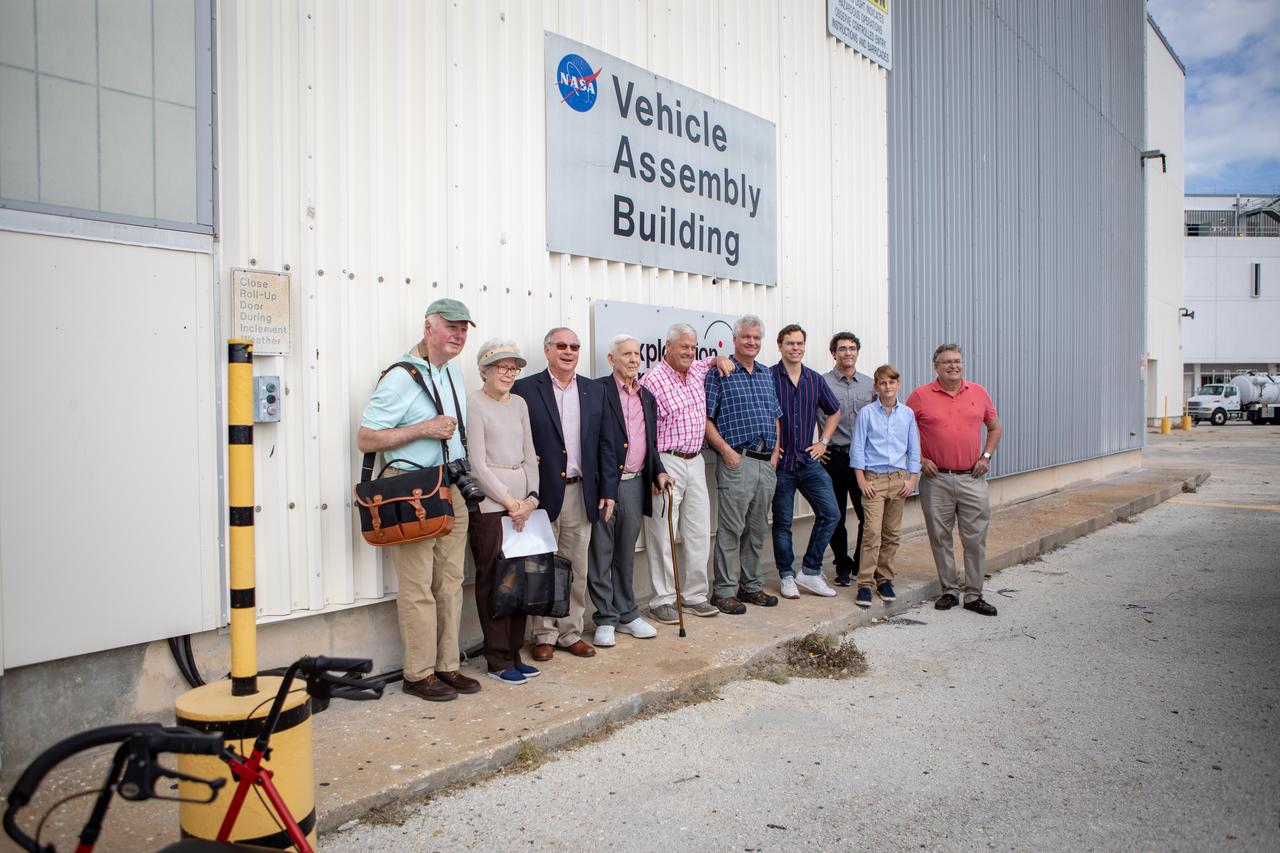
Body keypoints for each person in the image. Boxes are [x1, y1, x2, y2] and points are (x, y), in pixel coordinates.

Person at [356, 298, 481, 702]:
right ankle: (418, 673)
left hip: (451, 486)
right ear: (429, 327)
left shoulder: (452, 372)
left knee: (450, 582)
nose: (458, 335)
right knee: (417, 587)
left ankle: (447, 666)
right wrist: (423, 429)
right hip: (412, 489)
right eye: (451, 327)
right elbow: (366, 438)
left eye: (463, 329)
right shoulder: (400, 376)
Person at [513, 327, 618, 660]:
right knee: (539, 566)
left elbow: (606, 444)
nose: (569, 351)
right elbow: (512, 434)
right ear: (547, 351)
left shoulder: (593, 391)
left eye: (574, 346)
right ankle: (543, 634)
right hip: (538, 493)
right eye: (561, 345)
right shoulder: (526, 389)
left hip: (580, 491)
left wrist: (609, 490)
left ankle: (570, 632)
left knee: (576, 567)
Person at [638, 323, 728, 624]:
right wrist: (654, 470)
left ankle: (694, 595)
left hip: (696, 460)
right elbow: (644, 431)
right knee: (663, 532)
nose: (689, 352)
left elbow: (709, 361)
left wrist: (719, 359)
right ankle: (663, 598)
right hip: (667, 461)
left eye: (692, 347)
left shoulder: (696, 372)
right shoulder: (653, 379)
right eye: (683, 347)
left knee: (699, 530)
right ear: (668, 347)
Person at [465, 340, 543, 685]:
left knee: (521, 581)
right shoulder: (474, 403)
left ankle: (514, 652)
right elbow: (477, 464)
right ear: (485, 370)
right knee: (495, 581)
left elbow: (530, 453)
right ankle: (496, 658)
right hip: (491, 506)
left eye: (513, 368)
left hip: (521, 505)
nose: (509, 374)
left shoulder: (521, 404)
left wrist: (531, 500)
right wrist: (510, 502)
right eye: (501, 367)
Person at [906, 344, 1004, 616]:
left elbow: (995, 427)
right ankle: (949, 590)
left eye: (957, 361)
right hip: (936, 480)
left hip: (972, 478)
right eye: (947, 362)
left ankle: (974, 595)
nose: (953, 366)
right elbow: (903, 430)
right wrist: (920, 459)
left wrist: (986, 456)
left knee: (975, 539)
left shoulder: (978, 392)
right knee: (940, 537)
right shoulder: (920, 396)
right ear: (935, 366)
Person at [588, 335, 672, 646]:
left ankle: (627, 613)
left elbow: (649, 443)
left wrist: (659, 471)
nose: (634, 359)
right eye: (626, 354)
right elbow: (592, 441)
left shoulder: (646, 396)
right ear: (611, 359)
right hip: (603, 487)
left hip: (636, 484)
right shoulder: (597, 391)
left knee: (625, 552)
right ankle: (605, 618)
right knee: (601, 553)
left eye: (637, 354)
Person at [704, 315, 783, 613]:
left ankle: (750, 586)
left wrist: (775, 453)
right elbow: (706, 419)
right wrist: (725, 450)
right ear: (735, 339)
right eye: (746, 337)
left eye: (756, 338)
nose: (752, 342)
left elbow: (775, 415)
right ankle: (723, 591)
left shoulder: (765, 374)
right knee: (731, 529)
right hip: (737, 460)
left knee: (757, 528)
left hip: (766, 463)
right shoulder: (721, 373)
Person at [769, 324, 841, 599]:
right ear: (780, 346)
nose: (795, 348)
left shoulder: (814, 379)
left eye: (799, 343)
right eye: (790, 343)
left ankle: (809, 571)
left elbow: (834, 411)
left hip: (809, 461)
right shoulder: (768, 377)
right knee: (783, 523)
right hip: (783, 464)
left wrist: (823, 442)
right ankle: (786, 576)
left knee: (831, 513)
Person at [850, 364, 920, 608]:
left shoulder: (907, 414)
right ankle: (865, 583)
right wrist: (861, 479)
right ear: (876, 386)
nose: (887, 386)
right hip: (874, 480)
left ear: (898, 384)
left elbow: (914, 448)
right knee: (872, 532)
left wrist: (912, 479)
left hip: (899, 480)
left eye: (891, 382)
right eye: (882, 382)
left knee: (892, 534)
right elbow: (858, 447)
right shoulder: (867, 413)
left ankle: (885, 579)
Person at [821, 332, 877, 587]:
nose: (848, 353)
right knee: (836, 516)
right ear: (834, 353)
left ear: (857, 352)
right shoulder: (821, 383)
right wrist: (818, 447)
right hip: (834, 457)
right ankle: (842, 564)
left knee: (868, 515)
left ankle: (861, 561)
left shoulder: (870, 385)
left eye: (852, 348)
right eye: (842, 348)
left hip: (863, 461)